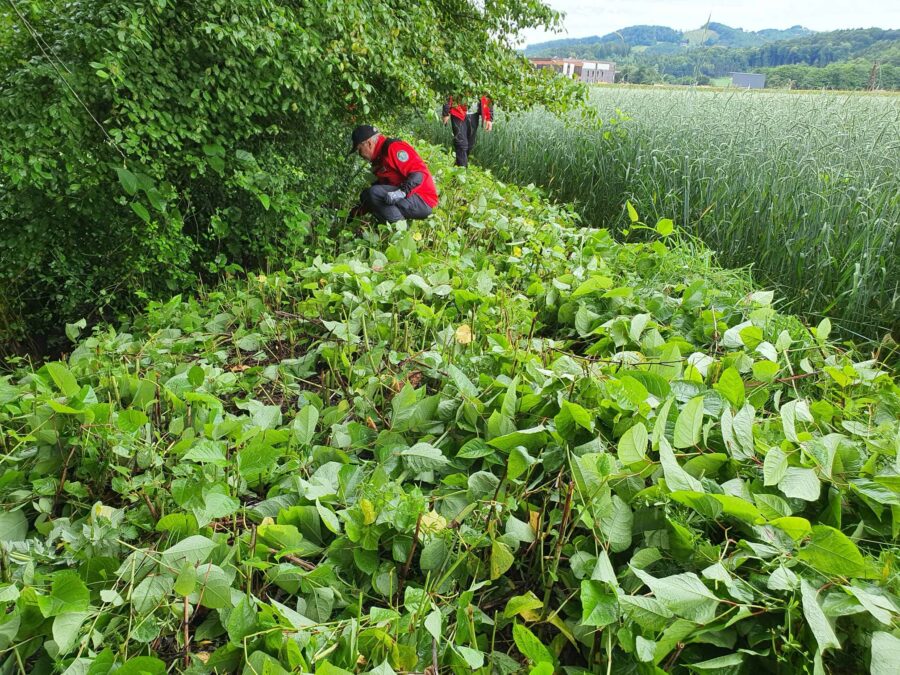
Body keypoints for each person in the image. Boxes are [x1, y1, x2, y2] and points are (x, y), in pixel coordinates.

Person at [348, 125, 438, 224]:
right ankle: (389, 230)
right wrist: (352, 213)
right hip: (409, 199)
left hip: (423, 200)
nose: (360, 155)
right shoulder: (379, 159)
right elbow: (375, 197)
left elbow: (418, 174)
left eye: (359, 150)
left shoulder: (393, 148)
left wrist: (401, 192)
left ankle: (399, 233)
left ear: (369, 144)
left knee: (373, 192)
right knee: (366, 195)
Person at [442, 95, 493, 167]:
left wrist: (489, 118)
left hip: (474, 115)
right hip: (458, 112)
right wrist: (446, 112)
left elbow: (488, 95)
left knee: (469, 146)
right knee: (461, 145)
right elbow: (449, 90)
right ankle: (462, 174)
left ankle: (456, 173)